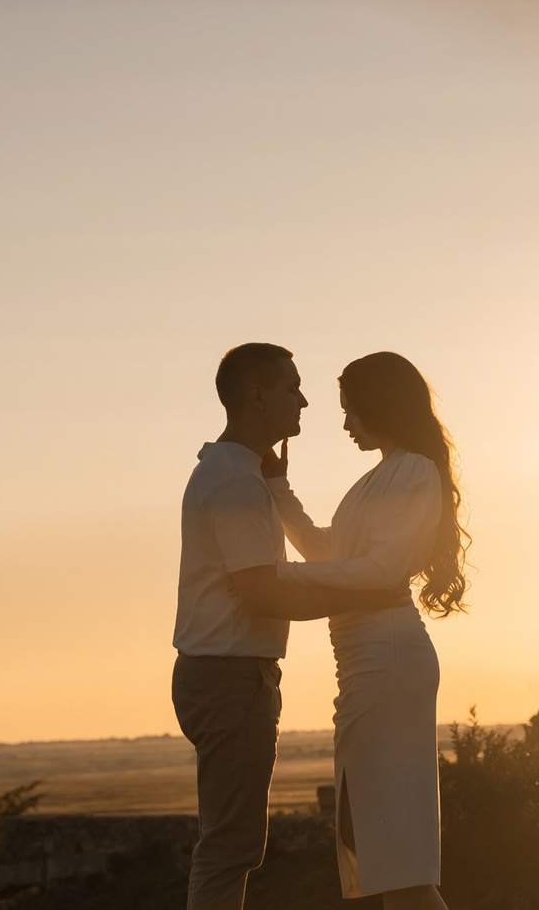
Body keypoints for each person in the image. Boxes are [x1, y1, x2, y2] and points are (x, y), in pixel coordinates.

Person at [173, 343, 407, 910]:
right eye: (292, 387)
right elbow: (260, 593)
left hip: (224, 674)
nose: (303, 400)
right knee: (231, 845)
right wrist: (363, 596)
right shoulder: (235, 483)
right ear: (257, 394)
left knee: (231, 841)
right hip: (231, 678)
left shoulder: (235, 473)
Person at [269, 352, 469, 908]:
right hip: (365, 661)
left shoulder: (413, 471)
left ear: (379, 405)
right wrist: (279, 491)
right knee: (377, 846)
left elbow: (381, 570)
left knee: (393, 851)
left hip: (389, 658)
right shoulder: (383, 475)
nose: (345, 423)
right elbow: (331, 552)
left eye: (350, 410)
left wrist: (277, 578)